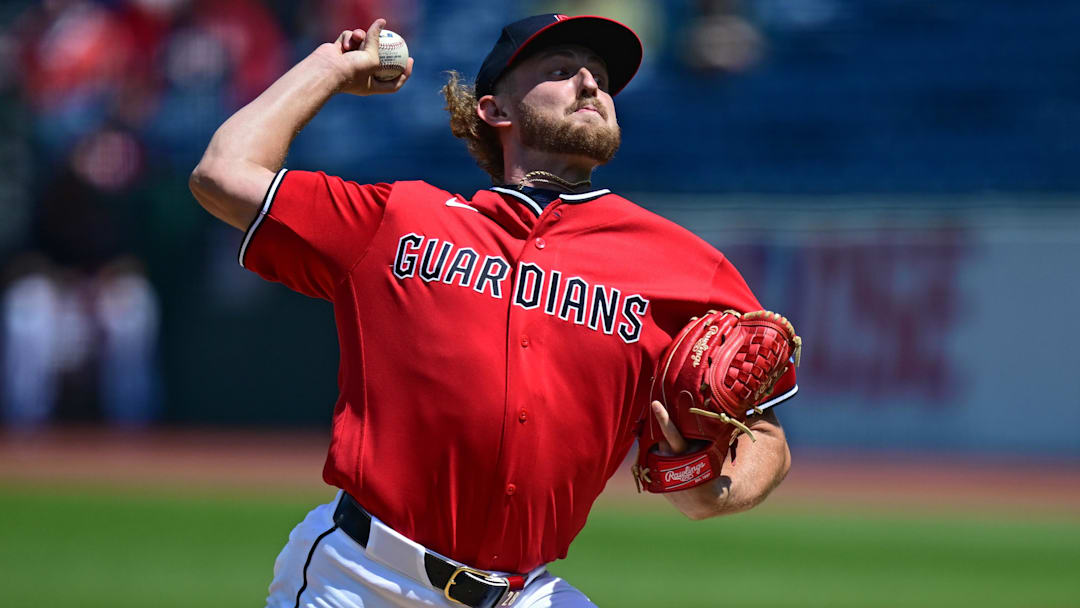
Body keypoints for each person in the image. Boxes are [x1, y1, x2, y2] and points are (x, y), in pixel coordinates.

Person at [190, 14, 796, 608]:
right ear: (494, 110)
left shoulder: (687, 267)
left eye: (600, 78)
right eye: (562, 70)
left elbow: (765, 430)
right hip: (359, 578)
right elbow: (222, 174)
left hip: (524, 592)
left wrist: (717, 491)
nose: (590, 84)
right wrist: (329, 66)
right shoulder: (397, 222)